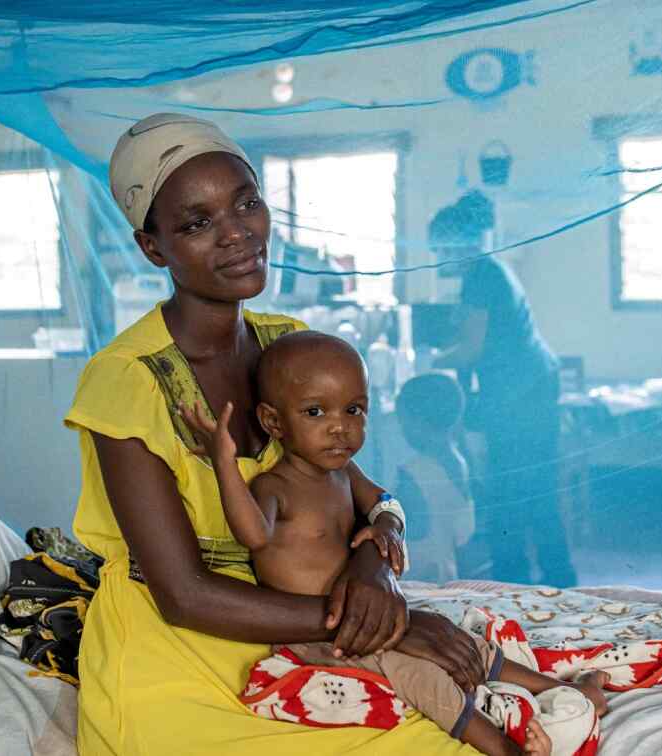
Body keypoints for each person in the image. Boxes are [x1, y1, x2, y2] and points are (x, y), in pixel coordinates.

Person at [66, 113, 495, 755]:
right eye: (197, 222)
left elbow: (365, 497)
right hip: (179, 646)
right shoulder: (125, 381)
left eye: (246, 203)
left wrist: (377, 567)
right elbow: (182, 594)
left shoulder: (287, 345)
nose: (237, 234)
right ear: (153, 248)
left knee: (467, 721)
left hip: (300, 623)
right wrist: (391, 624)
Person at [181, 330, 607, 756]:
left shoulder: (345, 473)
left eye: (354, 410)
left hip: (377, 616)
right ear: (274, 422)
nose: (339, 427)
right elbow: (252, 534)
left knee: (466, 644)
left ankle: (569, 691)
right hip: (322, 635)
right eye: (315, 412)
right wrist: (224, 464)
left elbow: (384, 504)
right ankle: (502, 747)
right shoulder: (274, 487)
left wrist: (384, 526)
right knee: (422, 678)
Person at [429, 192, 578, 588]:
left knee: (515, 492)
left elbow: (473, 348)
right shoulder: (485, 272)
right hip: (524, 389)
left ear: (455, 242)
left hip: (523, 394)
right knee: (526, 491)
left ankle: (522, 583)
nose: (439, 257)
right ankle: (546, 579)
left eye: (440, 248)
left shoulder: (483, 276)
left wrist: (428, 361)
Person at [395, 372, 476, 583]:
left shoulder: (412, 473)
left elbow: (403, 532)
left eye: (404, 422)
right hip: (447, 573)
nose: (402, 430)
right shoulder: (459, 460)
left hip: (418, 576)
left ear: (419, 422)